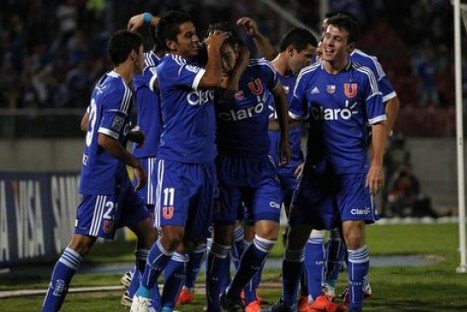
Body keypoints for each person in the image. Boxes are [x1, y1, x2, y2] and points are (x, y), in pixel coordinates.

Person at [265, 13, 387, 312]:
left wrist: (376, 163)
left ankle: (355, 304)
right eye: (327, 37)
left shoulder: (362, 76)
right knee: (296, 237)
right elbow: (291, 119)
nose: (328, 43)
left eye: (337, 39)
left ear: (350, 45)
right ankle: (291, 301)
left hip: (351, 171)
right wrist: (257, 125)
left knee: (353, 235)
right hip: (316, 173)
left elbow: (379, 122)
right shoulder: (308, 77)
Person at [41, 29, 157, 312]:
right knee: (80, 245)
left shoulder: (105, 81)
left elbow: (86, 124)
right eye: (141, 52)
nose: (143, 57)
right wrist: (135, 161)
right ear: (133, 54)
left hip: (117, 180)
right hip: (103, 179)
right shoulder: (121, 90)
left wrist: (127, 132)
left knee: (149, 234)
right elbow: (104, 139)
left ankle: (139, 298)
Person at [130, 10, 229, 312]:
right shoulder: (171, 66)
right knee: (171, 236)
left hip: (206, 164)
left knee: (194, 242)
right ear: (172, 45)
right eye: (188, 36)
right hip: (176, 164)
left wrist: (151, 19)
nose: (196, 38)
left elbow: (223, 78)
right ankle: (144, 290)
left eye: (196, 33)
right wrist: (213, 47)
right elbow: (214, 79)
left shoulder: (197, 59)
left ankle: (167, 306)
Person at [204, 21, 291, 312]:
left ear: (238, 51)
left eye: (226, 55)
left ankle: (234, 291)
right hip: (226, 169)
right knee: (223, 242)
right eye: (217, 56)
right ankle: (213, 305)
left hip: (260, 166)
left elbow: (281, 94)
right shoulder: (208, 81)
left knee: (267, 234)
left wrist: (285, 141)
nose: (222, 62)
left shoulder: (261, 70)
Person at [237, 16, 319, 312]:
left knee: (301, 231)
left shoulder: (304, 81)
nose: (310, 62)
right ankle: (249, 297)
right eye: (308, 55)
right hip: (262, 168)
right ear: (292, 51)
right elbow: (272, 56)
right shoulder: (261, 76)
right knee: (257, 231)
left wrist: (309, 159)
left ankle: (305, 298)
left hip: (293, 167)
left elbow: (319, 125)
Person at [120, 24, 166, 308]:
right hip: (151, 154)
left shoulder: (169, 65)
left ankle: (136, 282)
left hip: (161, 153)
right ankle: (139, 286)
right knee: (158, 229)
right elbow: (130, 33)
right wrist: (149, 17)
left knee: (157, 229)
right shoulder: (147, 65)